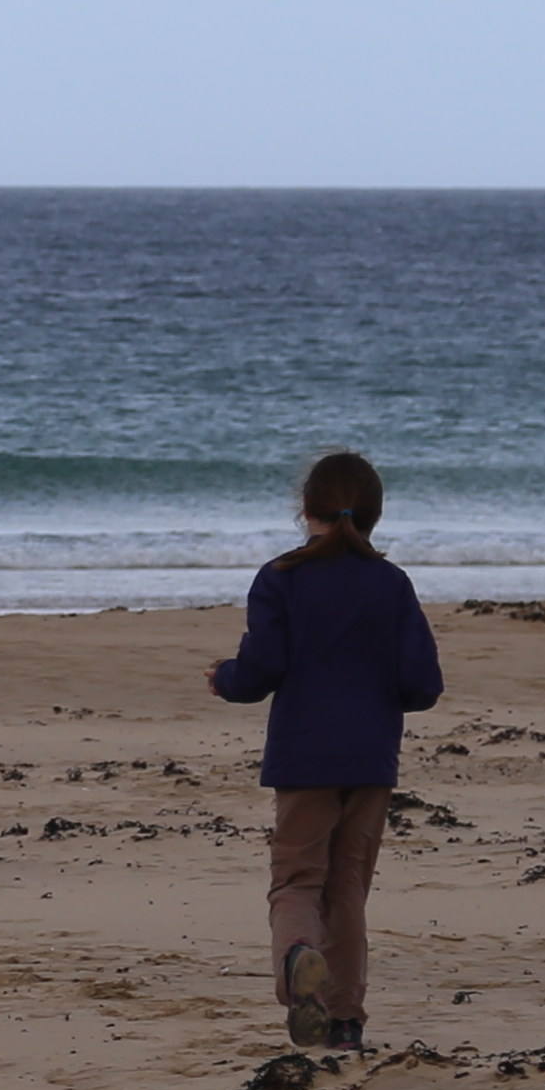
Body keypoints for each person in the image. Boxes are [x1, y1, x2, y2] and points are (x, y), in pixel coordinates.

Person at [206, 447, 444, 1047]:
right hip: (370, 757)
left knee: (296, 880)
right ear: (374, 515)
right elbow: (422, 684)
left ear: (304, 509)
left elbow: (262, 669)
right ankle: (344, 1020)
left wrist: (224, 677)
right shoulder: (391, 583)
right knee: (348, 889)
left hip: (304, 753)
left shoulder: (281, 577)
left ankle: (297, 958)